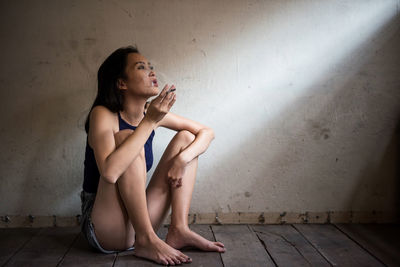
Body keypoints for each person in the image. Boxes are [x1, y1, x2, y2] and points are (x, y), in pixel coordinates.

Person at [80, 45, 225, 266]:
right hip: (103, 227)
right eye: (141, 67)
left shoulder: (151, 113)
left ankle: (179, 229)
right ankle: (147, 240)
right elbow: (109, 173)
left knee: (186, 139)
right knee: (127, 137)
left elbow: (207, 132)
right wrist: (150, 122)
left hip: (136, 224)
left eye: (151, 67)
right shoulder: (103, 114)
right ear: (122, 83)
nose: (151, 72)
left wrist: (181, 160)